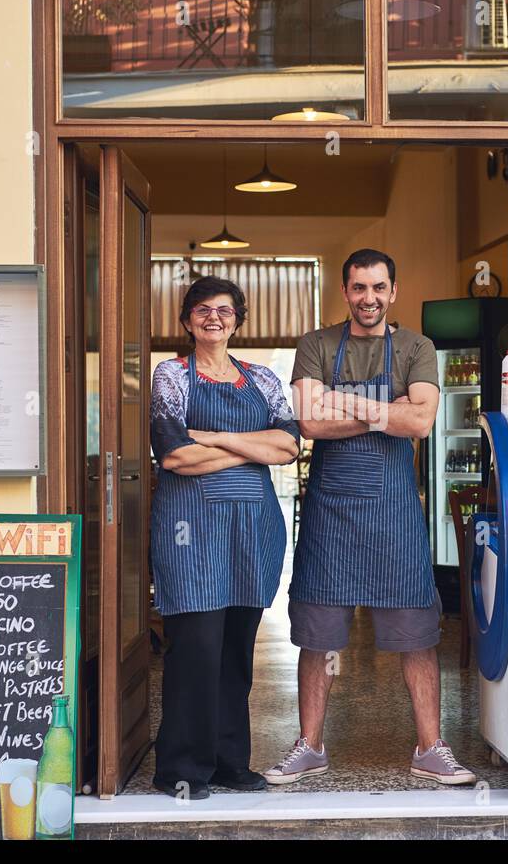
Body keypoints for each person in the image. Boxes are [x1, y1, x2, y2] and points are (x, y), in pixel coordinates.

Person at [266, 248, 477, 787]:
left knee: (416, 631)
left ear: (393, 291)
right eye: (359, 288)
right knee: (318, 634)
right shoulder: (316, 344)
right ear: (345, 292)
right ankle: (310, 745)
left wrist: (347, 404)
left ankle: (430, 747)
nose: (369, 298)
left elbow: (424, 421)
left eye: (378, 288)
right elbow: (310, 422)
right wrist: (388, 413)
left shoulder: (415, 346)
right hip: (330, 513)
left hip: (394, 512)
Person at [149, 275, 300, 800]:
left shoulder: (261, 378)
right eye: (203, 309)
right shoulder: (171, 375)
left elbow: (289, 446)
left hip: (252, 530)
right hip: (189, 534)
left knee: (237, 651)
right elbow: (174, 456)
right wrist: (250, 448)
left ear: (239, 319)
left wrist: (212, 437)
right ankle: (182, 768)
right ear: (187, 318)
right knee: (196, 648)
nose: (214, 318)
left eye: (225, 310)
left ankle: (230, 762)